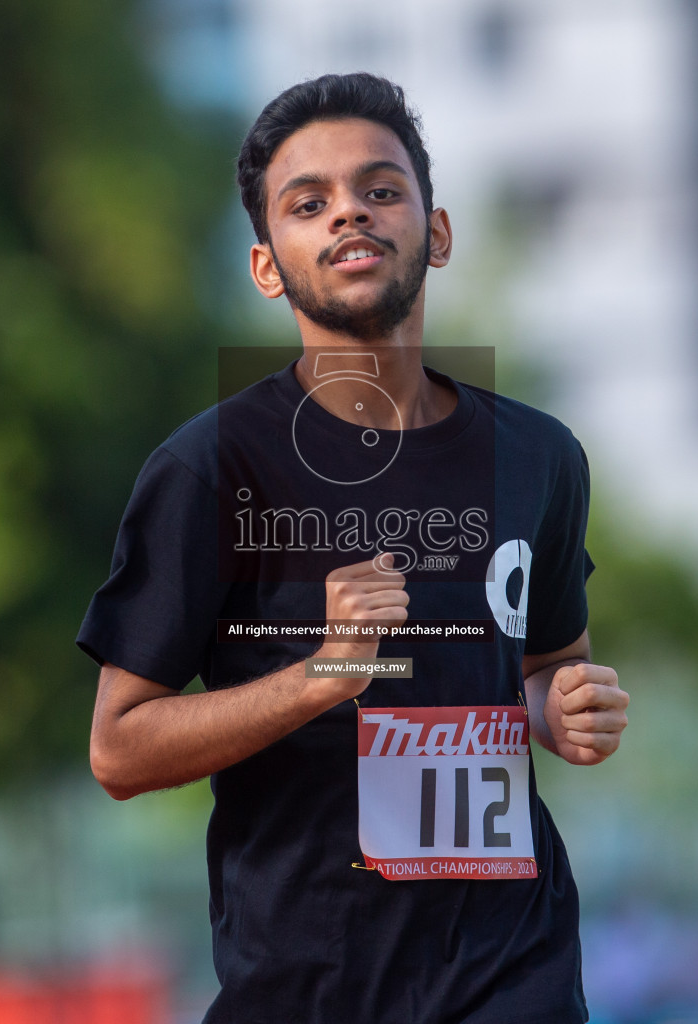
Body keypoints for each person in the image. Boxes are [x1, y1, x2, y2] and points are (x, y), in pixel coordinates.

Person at [79, 72, 629, 1024]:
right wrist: (321, 676)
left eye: (381, 189)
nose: (350, 215)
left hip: (515, 971)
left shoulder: (538, 458)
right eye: (309, 203)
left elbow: (545, 668)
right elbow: (118, 750)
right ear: (266, 266)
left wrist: (565, 710)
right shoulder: (211, 471)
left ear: (438, 231)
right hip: (313, 988)